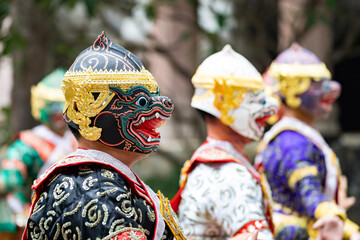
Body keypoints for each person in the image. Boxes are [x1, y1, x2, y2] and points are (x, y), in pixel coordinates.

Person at [22, 32, 185, 240]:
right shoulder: (96, 190)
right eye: (141, 102)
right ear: (90, 109)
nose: (161, 109)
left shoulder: (98, 179)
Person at [170, 45, 279, 240]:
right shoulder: (228, 173)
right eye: (255, 99)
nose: (269, 109)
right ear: (223, 104)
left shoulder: (219, 162)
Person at [255, 43, 360, 240]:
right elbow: (308, 191)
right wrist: (329, 212)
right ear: (292, 88)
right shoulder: (291, 141)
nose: (327, 90)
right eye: (316, 83)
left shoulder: (297, 134)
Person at [0, 68, 76, 240]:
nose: (59, 111)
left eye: (63, 105)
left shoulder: (78, 140)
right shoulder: (28, 142)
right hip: (35, 214)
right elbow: (10, 178)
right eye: (52, 104)